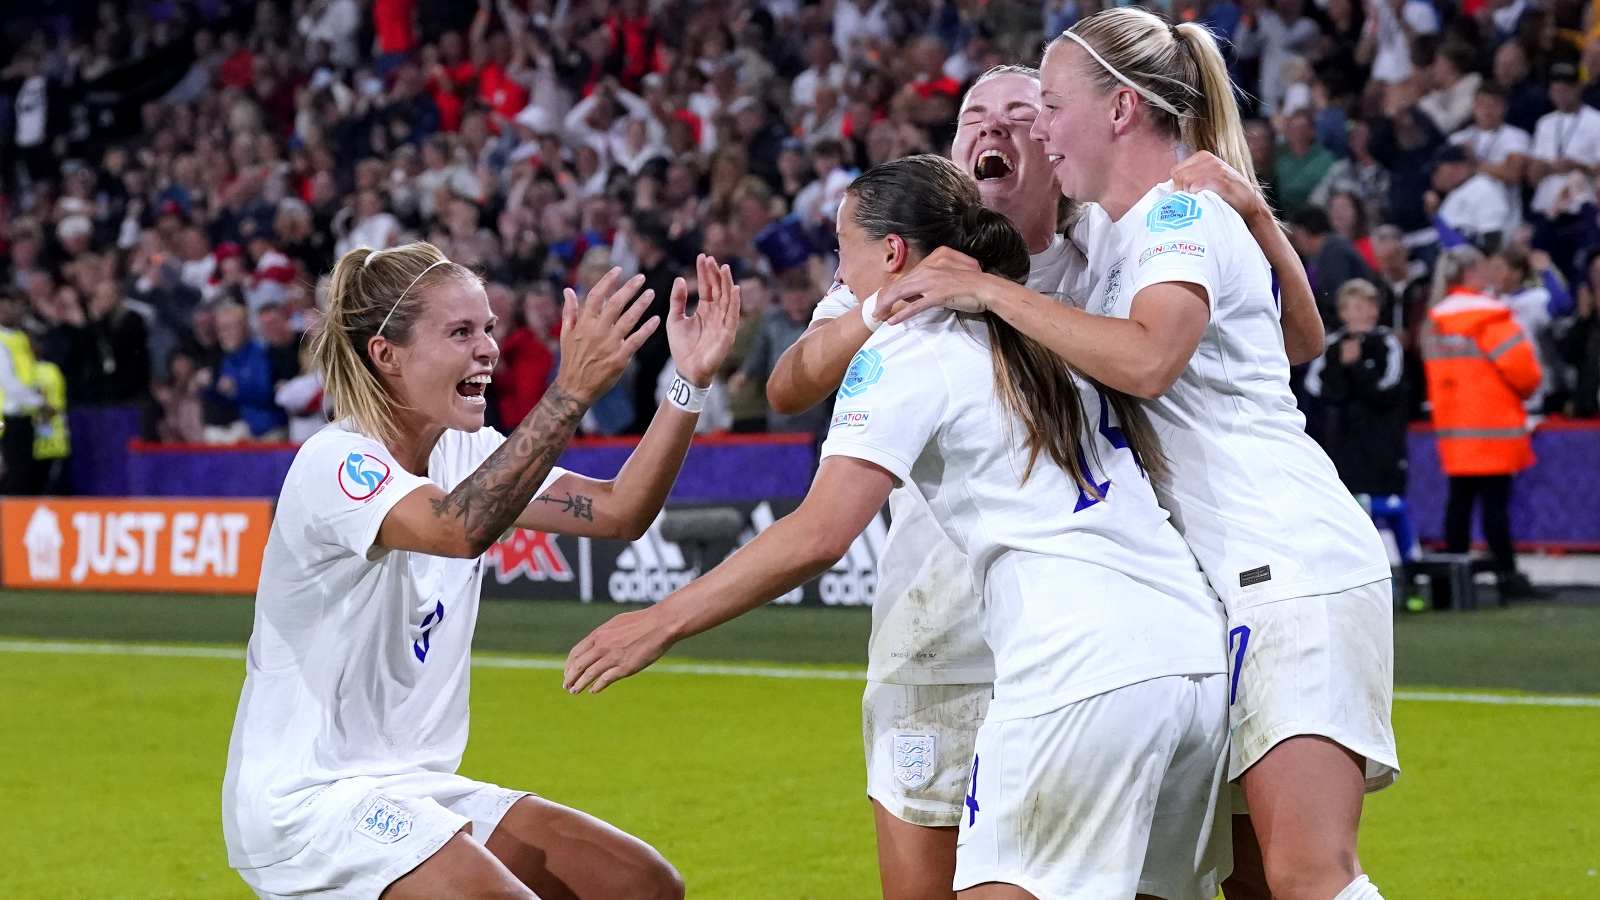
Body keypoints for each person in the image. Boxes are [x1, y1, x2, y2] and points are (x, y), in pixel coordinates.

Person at [564, 154, 1232, 900]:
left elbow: (820, 532)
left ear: (889, 254)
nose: (837, 271)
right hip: (1192, 664)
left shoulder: (910, 349)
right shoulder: (1041, 328)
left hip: (1080, 671)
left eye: (843, 248)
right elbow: (791, 384)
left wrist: (660, 621)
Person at [763, 64, 1320, 900]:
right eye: (972, 117)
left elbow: (1279, 340)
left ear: (1057, 141)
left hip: (1106, 635)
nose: (992, 130)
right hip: (942, 637)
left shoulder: (1117, 247)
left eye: (1022, 115)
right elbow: (788, 385)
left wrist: (1248, 212)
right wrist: (880, 308)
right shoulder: (889, 271)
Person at [875, 10, 1398, 900]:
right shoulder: (1124, 233)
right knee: (1247, 885)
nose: (1036, 126)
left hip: (1287, 566)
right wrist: (1260, 223)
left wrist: (988, 292)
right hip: (1220, 588)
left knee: (1311, 876)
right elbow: (1298, 339)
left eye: (1049, 104)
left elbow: (1150, 361)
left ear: (1120, 109)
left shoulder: (1172, 218)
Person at [222, 242, 740, 900]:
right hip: (310, 799)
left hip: (415, 786)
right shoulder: (336, 465)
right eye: (460, 332)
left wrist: (688, 385)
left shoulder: (468, 450)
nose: (488, 348)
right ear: (388, 355)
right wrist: (571, 391)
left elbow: (619, 511)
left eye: (489, 328)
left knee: (641, 885)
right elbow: (458, 529)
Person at [1421, 246, 1543, 598]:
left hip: (1454, 430)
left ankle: (1452, 586)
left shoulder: (1435, 320)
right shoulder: (1490, 318)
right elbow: (1525, 373)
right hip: (1495, 430)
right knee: (1495, 509)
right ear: (1472, 273)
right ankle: (1508, 578)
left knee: (1458, 505)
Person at [1305, 280, 1417, 570]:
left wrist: (1355, 368)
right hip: (1343, 443)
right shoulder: (1331, 345)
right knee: (1351, 509)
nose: (1364, 313)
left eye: (1369, 306)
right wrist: (1343, 368)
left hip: (1383, 442)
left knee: (1391, 506)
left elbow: (1386, 392)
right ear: (1343, 312)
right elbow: (1320, 391)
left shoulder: (1387, 343)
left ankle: (1411, 572)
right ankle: (1358, 571)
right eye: (1357, 307)